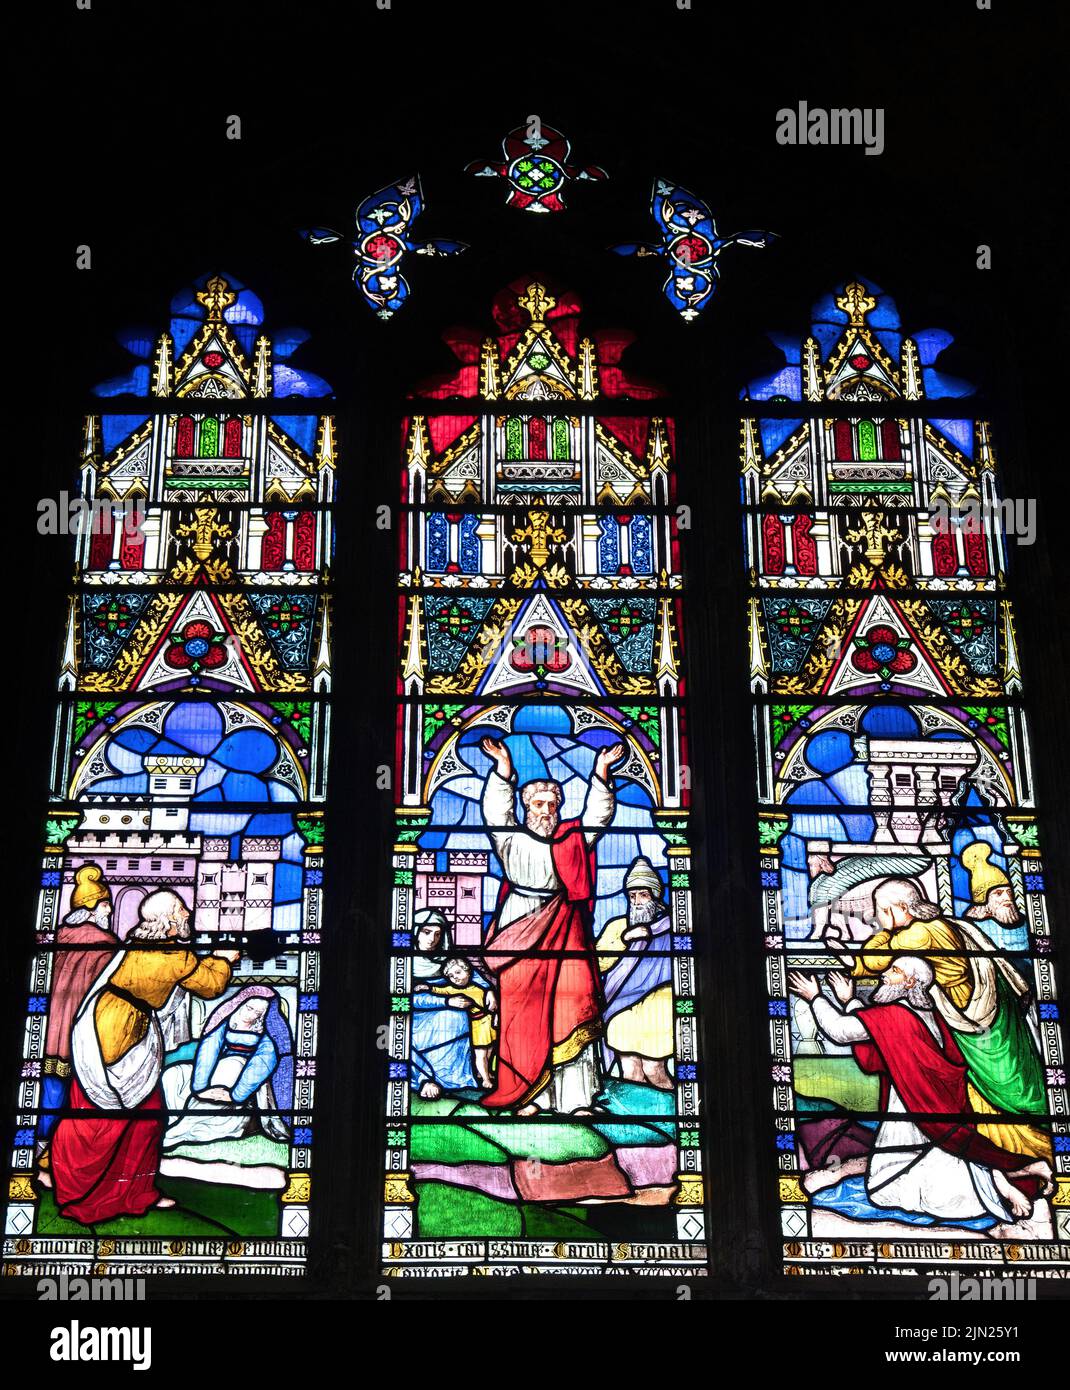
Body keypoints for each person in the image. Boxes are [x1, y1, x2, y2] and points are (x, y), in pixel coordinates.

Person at [789, 959, 1053, 1230]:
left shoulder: (897, 1015)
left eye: (894, 971)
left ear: (911, 982)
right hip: (925, 1103)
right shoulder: (929, 1014)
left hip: (916, 1108)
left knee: (895, 1185)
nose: (884, 973)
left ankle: (1003, 1189)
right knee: (930, 1160)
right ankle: (1018, 1172)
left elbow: (842, 1031)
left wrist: (816, 997)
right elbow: (878, 1037)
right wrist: (850, 1001)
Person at [49, 890, 238, 1223]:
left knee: (98, 1109)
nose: (187, 913)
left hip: (103, 1021)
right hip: (122, 1034)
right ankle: (112, 1193)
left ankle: (111, 1188)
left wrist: (212, 959)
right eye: (181, 910)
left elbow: (189, 970)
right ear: (167, 920)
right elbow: (209, 985)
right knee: (130, 1117)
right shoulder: (172, 955)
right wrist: (225, 959)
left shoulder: (140, 942)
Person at [846, 877, 1049, 1161]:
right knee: (991, 1089)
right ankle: (1008, 1153)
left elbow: (872, 960)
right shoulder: (941, 925)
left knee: (999, 1088)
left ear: (900, 908)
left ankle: (1024, 1151)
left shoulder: (916, 935)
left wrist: (879, 939)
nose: (878, 918)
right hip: (980, 1017)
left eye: (881, 910)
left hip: (970, 1024)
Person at [478, 735, 623, 1114]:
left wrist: (600, 773)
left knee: (570, 1005)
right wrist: (503, 771)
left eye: (552, 804)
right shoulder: (510, 840)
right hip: (520, 927)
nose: (546, 811)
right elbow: (496, 812)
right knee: (522, 1013)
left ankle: (575, 1098)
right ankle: (530, 1095)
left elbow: (596, 818)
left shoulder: (570, 841)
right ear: (525, 807)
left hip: (565, 928)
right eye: (538, 804)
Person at [37, 865, 120, 1185]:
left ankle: (38, 1155)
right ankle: (58, 1159)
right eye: (105, 905)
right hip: (80, 1034)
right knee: (73, 1096)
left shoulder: (56, 937)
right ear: (92, 908)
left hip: (43, 1030)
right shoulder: (106, 944)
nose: (109, 910)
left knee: (47, 1092)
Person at [163, 985, 293, 1148]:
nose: (251, 1015)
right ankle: (174, 1121)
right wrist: (200, 1087)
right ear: (241, 1003)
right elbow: (208, 1051)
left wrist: (236, 1095)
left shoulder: (266, 1035)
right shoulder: (225, 1024)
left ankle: (184, 1130)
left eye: (257, 1013)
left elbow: (262, 1064)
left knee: (231, 1066)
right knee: (173, 1073)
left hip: (242, 1075)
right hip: (212, 1070)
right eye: (249, 1008)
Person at [596, 856, 674, 1089]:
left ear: (655, 895)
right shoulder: (617, 926)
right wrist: (625, 939)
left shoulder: (673, 925)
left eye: (643, 894)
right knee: (630, 1072)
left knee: (654, 1068)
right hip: (621, 1006)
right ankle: (638, 1124)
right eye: (632, 896)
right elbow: (598, 962)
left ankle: (672, 1116)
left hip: (660, 1002)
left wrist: (651, 933)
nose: (637, 901)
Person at [410, 909, 480, 1098]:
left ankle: (453, 1079)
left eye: (437, 934)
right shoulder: (403, 961)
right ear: (415, 932)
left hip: (446, 1011)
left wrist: (488, 991)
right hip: (416, 1016)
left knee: (455, 1016)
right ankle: (424, 1078)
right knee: (396, 1030)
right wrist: (446, 1001)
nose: (432, 939)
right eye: (426, 932)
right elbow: (405, 999)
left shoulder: (447, 961)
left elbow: (472, 977)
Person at [423, 957, 496, 1090]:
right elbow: (440, 990)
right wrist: (426, 986)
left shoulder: (478, 986)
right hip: (478, 1025)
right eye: (451, 976)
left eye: (458, 973)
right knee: (481, 1053)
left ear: (468, 972)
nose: (454, 978)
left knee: (489, 1050)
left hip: (488, 1022)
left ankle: (483, 1073)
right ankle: (486, 1080)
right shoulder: (452, 989)